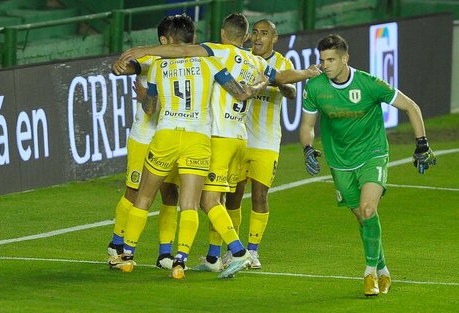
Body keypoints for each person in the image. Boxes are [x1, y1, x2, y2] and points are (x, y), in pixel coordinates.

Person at [118, 13, 320, 276]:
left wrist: (141, 51)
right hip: (237, 137)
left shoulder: (211, 54)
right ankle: (208, 258)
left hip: (212, 137)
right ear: (245, 37)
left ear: (223, 34)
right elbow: (278, 78)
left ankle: (239, 252)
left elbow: (177, 55)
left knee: (206, 200)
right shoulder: (251, 61)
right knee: (212, 200)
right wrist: (307, 72)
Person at [299, 34, 437, 297]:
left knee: (368, 208)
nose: (325, 65)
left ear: (344, 59)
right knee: (362, 216)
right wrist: (307, 148)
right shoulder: (316, 87)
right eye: (322, 60)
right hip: (340, 161)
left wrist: (422, 144)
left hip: (373, 154)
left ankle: (369, 273)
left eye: (330, 59)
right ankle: (383, 270)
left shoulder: (369, 84)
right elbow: (307, 126)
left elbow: (410, 106)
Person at [224, 19, 298, 269]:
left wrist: (280, 83)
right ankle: (233, 250)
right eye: (254, 32)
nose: (257, 37)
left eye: (264, 34)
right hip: (239, 137)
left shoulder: (283, 64)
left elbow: (292, 93)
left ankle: (253, 251)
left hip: (266, 141)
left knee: (260, 195)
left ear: (274, 38)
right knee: (232, 196)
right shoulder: (242, 59)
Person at [107, 16, 180, 270]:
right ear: (164, 41)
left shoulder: (189, 61)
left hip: (170, 138)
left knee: (170, 194)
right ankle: (117, 243)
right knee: (134, 192)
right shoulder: (152, 60)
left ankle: (165, 254)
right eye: (179, 38)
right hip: (144, 138)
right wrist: (120, 68)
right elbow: (132, 67)